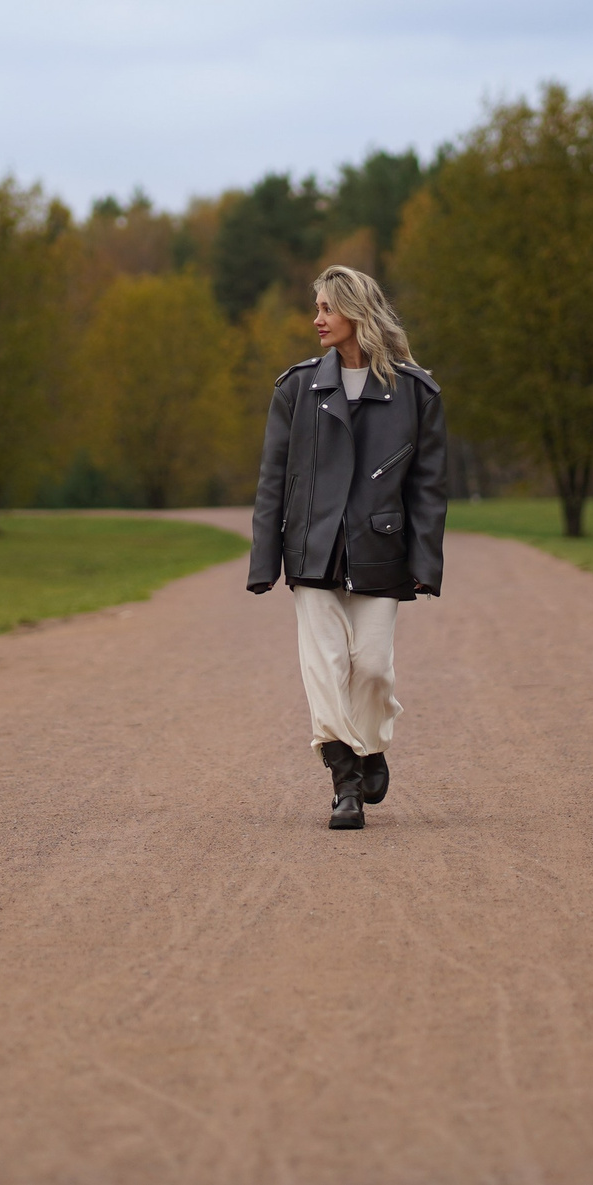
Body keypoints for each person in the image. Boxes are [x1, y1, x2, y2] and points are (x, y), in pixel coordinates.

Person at [247, 265, 448, 829]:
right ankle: (344, 782)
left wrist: (426, 564)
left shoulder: (416, 392)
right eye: (316, 309)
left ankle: (371, 745)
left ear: (356, 313)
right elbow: (273, 480)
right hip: (312, 552)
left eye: (326, 309)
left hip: (382, 551)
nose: (317, 320)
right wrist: (265, 560)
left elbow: (429, 487)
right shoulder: (296, 388)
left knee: (374, 668)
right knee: (326, 665)